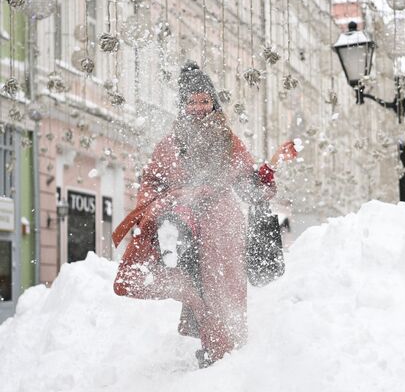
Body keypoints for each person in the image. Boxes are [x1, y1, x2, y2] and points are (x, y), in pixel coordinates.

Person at [111, 60, 297, 368]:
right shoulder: (170, 143)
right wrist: (162, 203)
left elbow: (250, 188)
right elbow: (152, 180)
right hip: (184, 223)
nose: (198, 106)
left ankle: (224, 356)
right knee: (195, 285)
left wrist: (271, 166)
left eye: (204, 100)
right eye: (192, 101)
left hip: (223, 229)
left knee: (222, 291)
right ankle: (215, 351)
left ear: (213, 102)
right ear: (183, 105)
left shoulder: (228, 142)